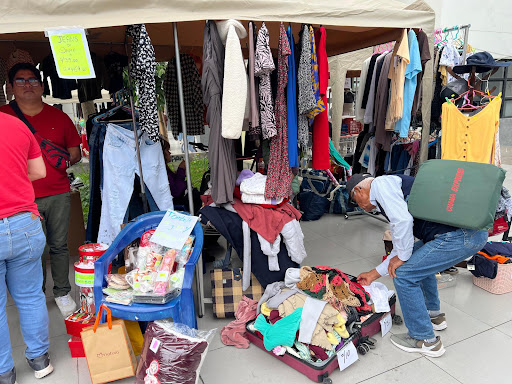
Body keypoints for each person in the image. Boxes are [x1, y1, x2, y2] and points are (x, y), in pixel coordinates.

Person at [347, 173, 488, 358]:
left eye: (355, 201)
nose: (360, 207)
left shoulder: (380, 184)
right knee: (415, 261)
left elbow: (403, 222)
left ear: (358, 189)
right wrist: (374, 273)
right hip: (468, 233)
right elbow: (401, 246)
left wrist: (404, 257)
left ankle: (424, 340)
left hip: (460, 236)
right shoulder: (392, 188)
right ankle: (434, 315)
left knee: (404, 275)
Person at [0, 63, 82, 317]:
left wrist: (59, 160)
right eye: (21, 80)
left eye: (33, 80)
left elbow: (76, 153)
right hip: (19, 199)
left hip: (57, 192)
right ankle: (33, 296)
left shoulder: (60, 117)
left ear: (42, 86)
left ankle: (61, 292)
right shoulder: (4, 117)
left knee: (58, 245)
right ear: (10, 86)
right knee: (35, 250)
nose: (28, 85)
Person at [0, 112, 54, 384]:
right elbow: (39, 171)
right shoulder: (17, 125)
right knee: (30, 296)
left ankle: (4, 373)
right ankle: (40, 360)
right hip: (24, 223)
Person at [161, 138, 202, 214]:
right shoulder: (163, 172)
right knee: (196, 196)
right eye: (167, 151)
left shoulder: (165, 168)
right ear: (162, 154)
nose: (170, 153)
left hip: (179, 195)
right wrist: (181, 170)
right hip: (176, 199)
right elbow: (176, 191)